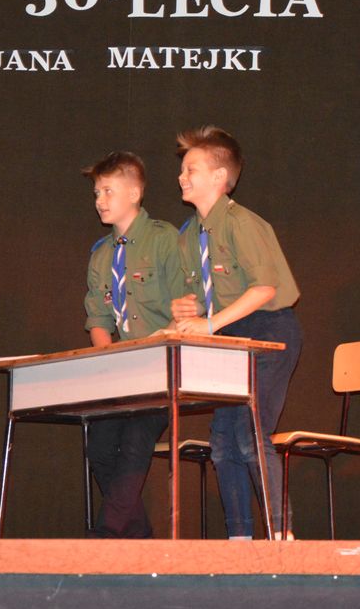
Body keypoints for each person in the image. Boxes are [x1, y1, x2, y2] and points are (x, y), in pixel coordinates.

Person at [170, 126, 303, 539]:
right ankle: (239, 539)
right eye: (182, 169)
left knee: (249, 433)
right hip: (230, 336)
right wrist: (189, 308)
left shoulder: (242, 223)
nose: (181, 177)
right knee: (223, 442)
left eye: (191, 169)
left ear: (219, 176)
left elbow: (265, 289)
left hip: (269, 331)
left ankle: (281, 534)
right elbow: (203, 298)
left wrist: (210, 323)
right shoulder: (189, 236)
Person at [82, 151, 184, 538]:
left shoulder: (164, 239)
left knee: (137, 436)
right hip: (124, 374)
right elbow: (98, 319)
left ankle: (106, 534)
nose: (100, 200)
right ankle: (139, 537)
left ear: (135, 193)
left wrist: (159, 346)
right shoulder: (101, 256)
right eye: (96, 193)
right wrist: (109, 361)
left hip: (164, 368)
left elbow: (186, 305)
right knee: (99, 445)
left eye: (108, 190)